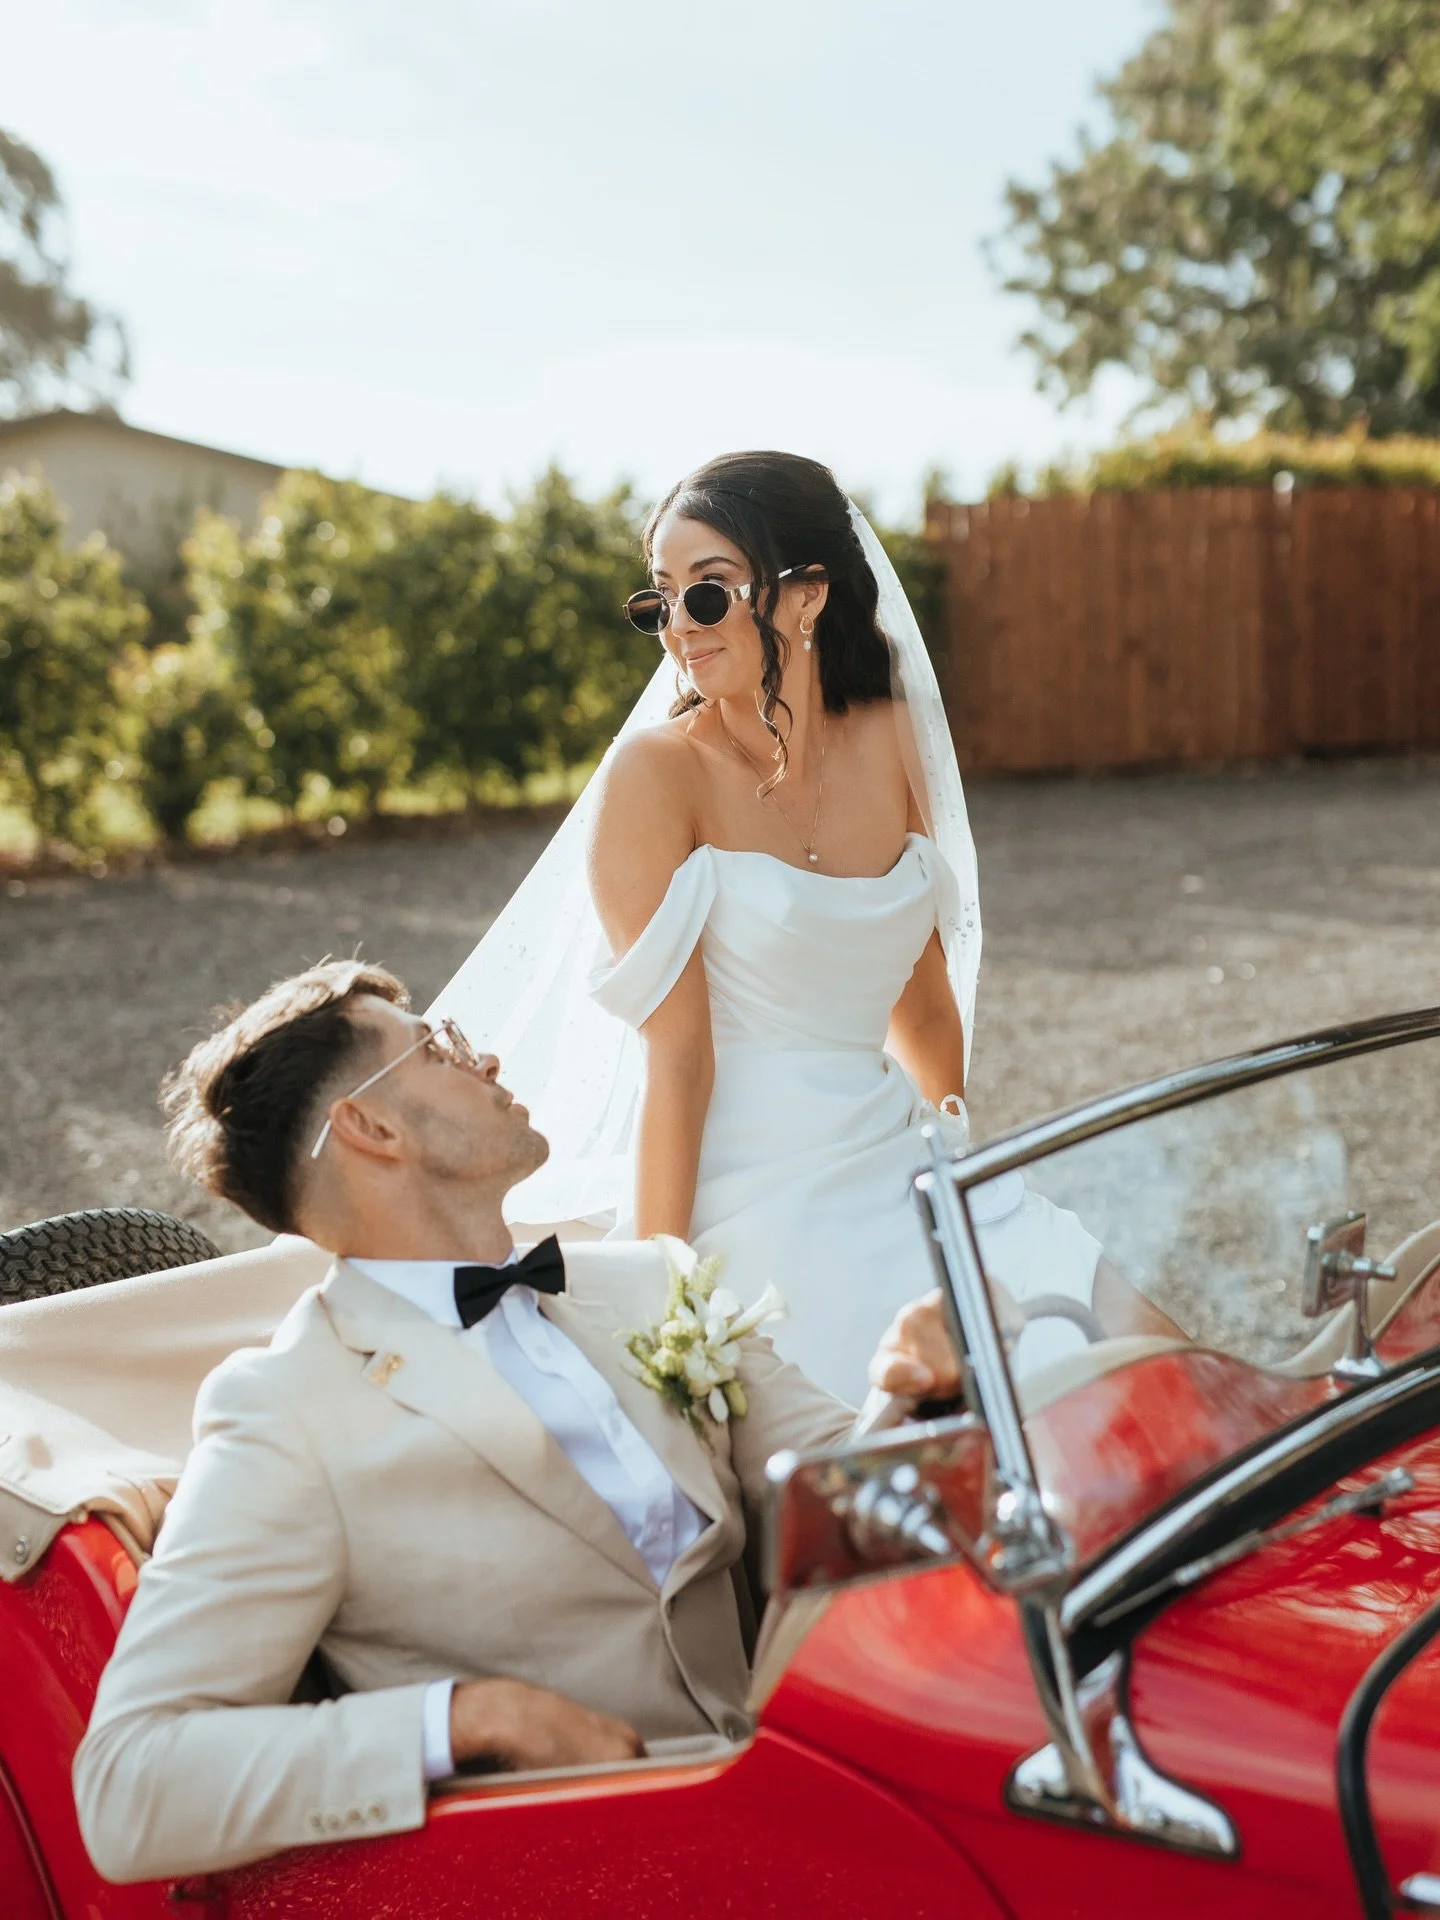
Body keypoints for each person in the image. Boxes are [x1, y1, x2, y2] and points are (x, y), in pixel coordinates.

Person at [71, 959, 950, 1885]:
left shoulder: (649, 1280)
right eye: (438, 1050)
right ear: (371, 1127)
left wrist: (914, 1383)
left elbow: (847, 1491)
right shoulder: (287, 1411)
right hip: (604, 1878)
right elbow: (132, 1784)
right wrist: (468, 1718)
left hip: (832, 1799)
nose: (485, 1056)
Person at [430, 451, 1166, 1403]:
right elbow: (679, 1062)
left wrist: (959, 1163)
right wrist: (670, 1295)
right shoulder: (657, 779)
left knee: (1161, 1373)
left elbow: (924, 1002)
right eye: (660, 602)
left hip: (900, 1159)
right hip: (752, 1199)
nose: (679, 632)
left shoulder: (893, 737)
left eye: (708, 595)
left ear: (808, 596)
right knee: (942, 1443)